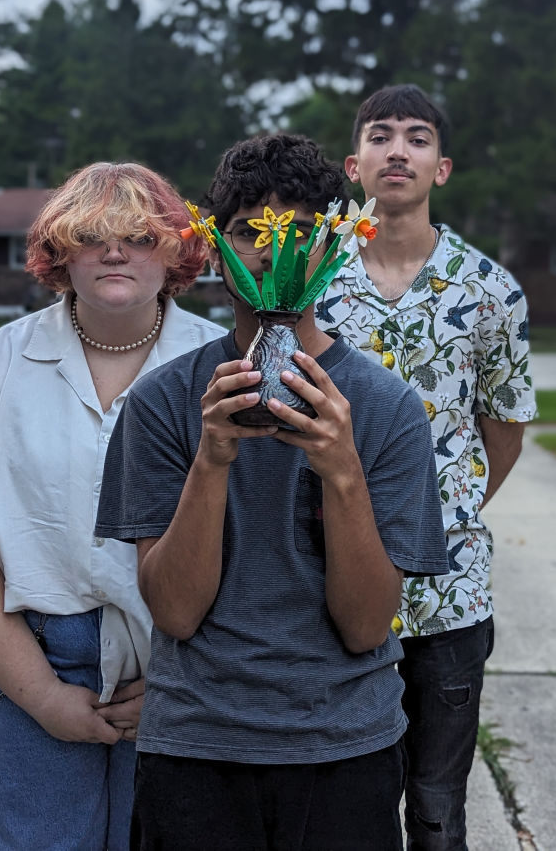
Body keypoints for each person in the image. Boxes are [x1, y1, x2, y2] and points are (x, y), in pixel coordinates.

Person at [95, 134, 449, 851]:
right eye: (249, 231)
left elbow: (365, 626)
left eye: (293, 231)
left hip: (344, 743)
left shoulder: (385, 410)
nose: (268, 250)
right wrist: (213, 459)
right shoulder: (165, 403)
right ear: (216, 248)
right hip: (197, 743)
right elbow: (175, 611)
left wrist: (343, 472)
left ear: (331, 245)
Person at [0, 161, 226, 851]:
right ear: (58, 255)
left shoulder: (219, 369)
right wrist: (41, 694)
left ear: (177, 251)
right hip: (23, 659)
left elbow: (256, 550)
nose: (114, 251)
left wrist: (175, 679)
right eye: (91, 235)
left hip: (188, 666)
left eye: (139, 234)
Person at [317, 85, 537, 851]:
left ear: (442, 168)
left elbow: (504, 427)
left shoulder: (490, 291)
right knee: (347, 802)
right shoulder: (309, 281)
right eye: (381, 136)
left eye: (417, 138)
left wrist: (450, 504)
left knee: (438, 809)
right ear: (355, 164)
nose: (399, 150)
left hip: (449, 593)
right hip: (326, 583)